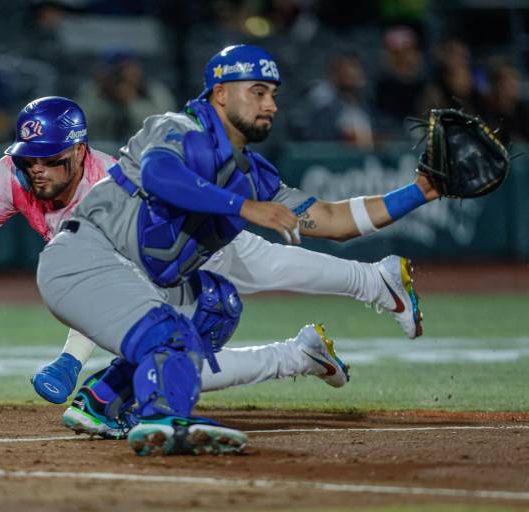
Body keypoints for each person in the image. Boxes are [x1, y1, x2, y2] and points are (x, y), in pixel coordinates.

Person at [0, 95, 416, 436]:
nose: (37, 171)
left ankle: (352, 302)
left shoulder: (105, 183)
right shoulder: (10, 174)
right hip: (142, 263)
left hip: (179, 244)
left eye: (52, 159)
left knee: (254, 279)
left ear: (81, 151)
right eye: (30, 159)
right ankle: (318, 334)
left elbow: (110, 291)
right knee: (182, 339)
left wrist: (70, 358)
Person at [35, 44, 439, 456]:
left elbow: (334, 219)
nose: (271, 105)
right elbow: (160, 174)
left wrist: (422, 191)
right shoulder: (176, 127)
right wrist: (244, 208)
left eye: (273, 95)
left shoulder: (251, 174)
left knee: (217, 306)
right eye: (258, 92)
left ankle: (107, 401)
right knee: (169, 335)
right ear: (220, 93)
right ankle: (163, 417)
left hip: (136, 275)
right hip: (83, 259)